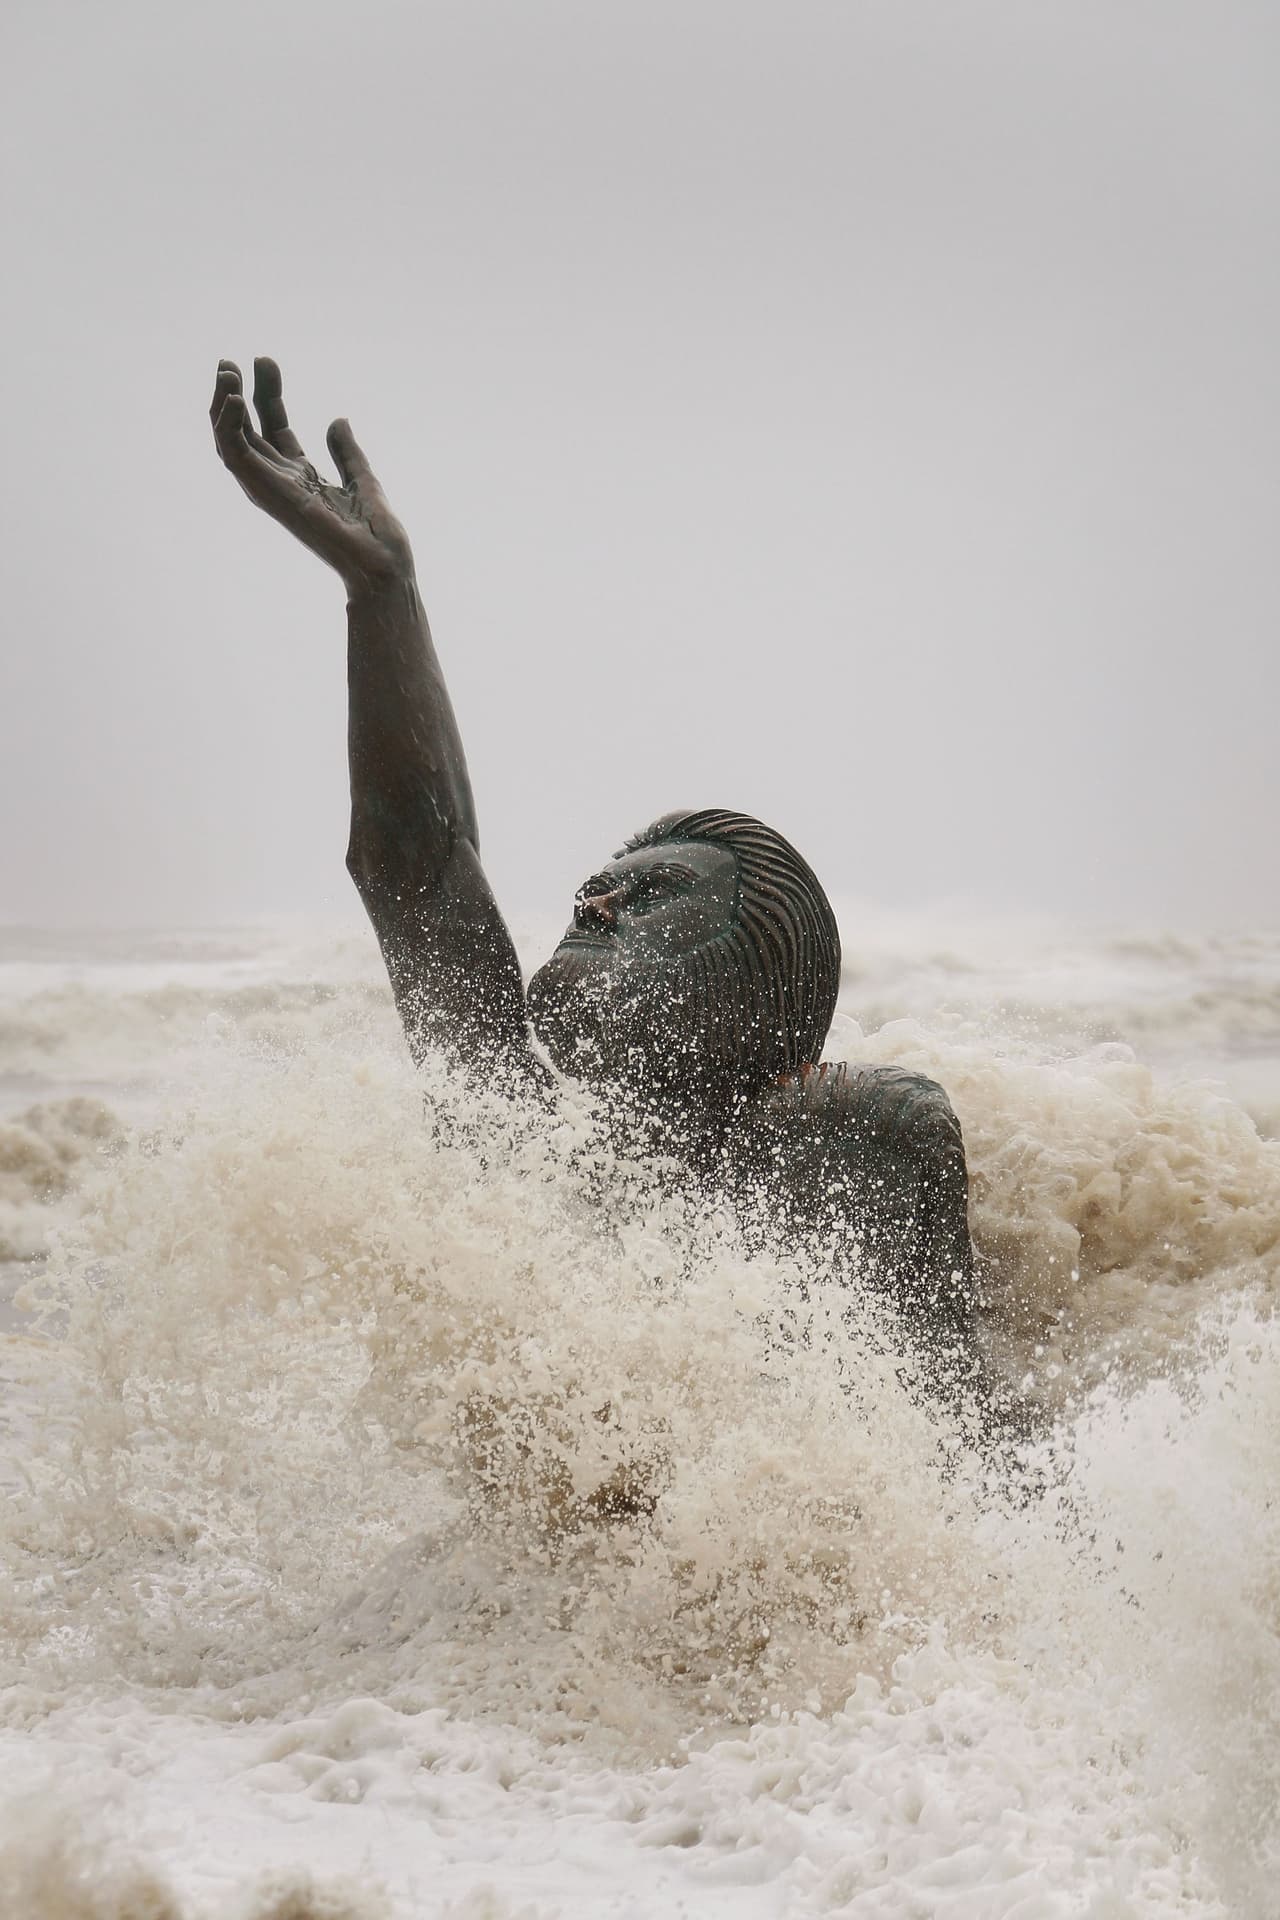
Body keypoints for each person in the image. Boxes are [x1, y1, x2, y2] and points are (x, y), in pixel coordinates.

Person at [210, 358, 981, 1382]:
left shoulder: (847, 1144)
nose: (593, 896)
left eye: (654, 893)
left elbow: (950, 1406)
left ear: (750, 980)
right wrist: (382, 594)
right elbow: (418, 868)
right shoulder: (523, 1142)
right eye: (601, 881)